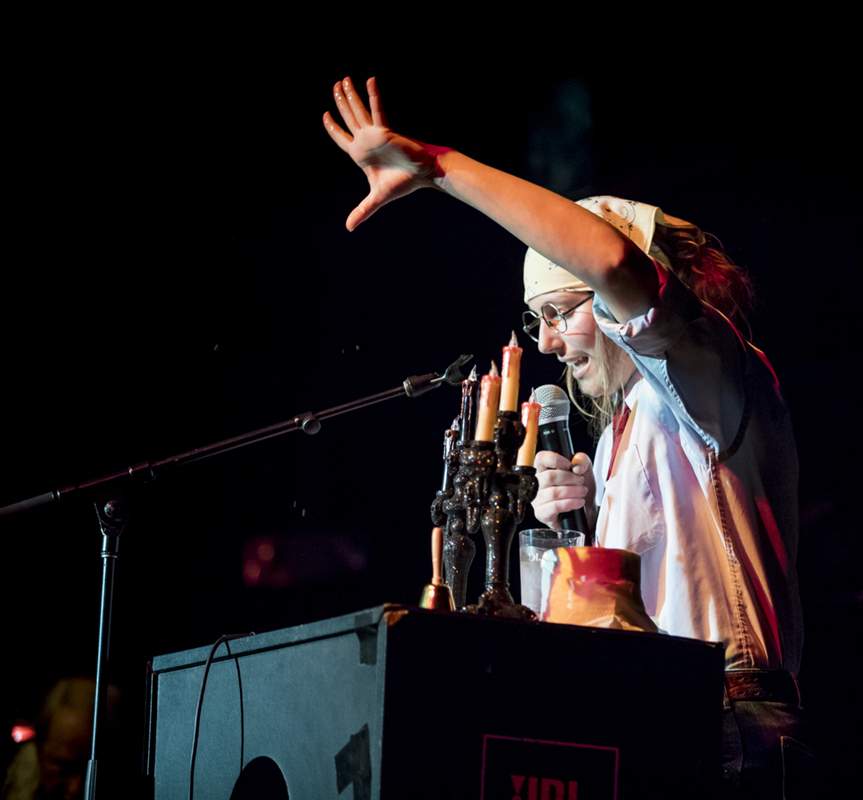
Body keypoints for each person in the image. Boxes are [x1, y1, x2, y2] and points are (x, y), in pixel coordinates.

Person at [325, 76, 811, 798]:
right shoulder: (622, 430)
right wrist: (567, 546)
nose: (548, 342)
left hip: (724, 725)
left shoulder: (710, 372)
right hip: (653, 718)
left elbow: (612, 263)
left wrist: (439, 166)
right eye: (536, 320)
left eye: (560, 310)